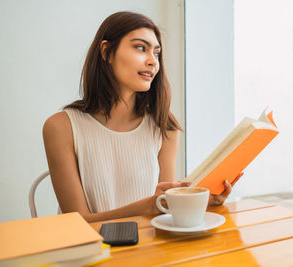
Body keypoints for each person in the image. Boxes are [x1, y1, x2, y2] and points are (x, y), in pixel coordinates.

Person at [43, 11, 241, 223]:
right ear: (106, 52)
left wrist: (201, 201)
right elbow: (78, 222)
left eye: (156, 53)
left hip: (147, 250)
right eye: (140, 48)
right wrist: (149, 206)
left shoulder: (164, 127)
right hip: (90, 252)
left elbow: (164, 210)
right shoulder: (60, 127)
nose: (152, 62)